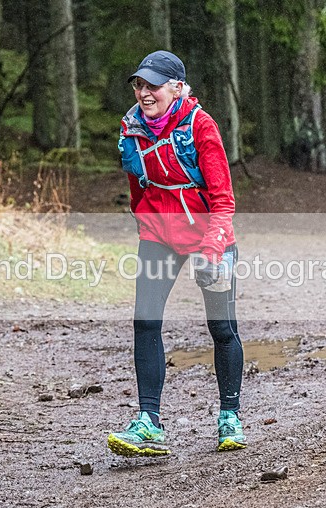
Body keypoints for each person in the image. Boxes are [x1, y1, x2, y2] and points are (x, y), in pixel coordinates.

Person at [107, 50, 246, 457]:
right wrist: (145, 226)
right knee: (145, 322)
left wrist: (211, 249)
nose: (144, 92)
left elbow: (223, 200)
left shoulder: (201, 125)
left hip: (210, 234)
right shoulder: (131, 128)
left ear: (177, 87)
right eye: (139, 84)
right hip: (159, 234)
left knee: (221, 328)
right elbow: (138, 187)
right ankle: (149, 423)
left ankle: (229, 417)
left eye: (153, 85)